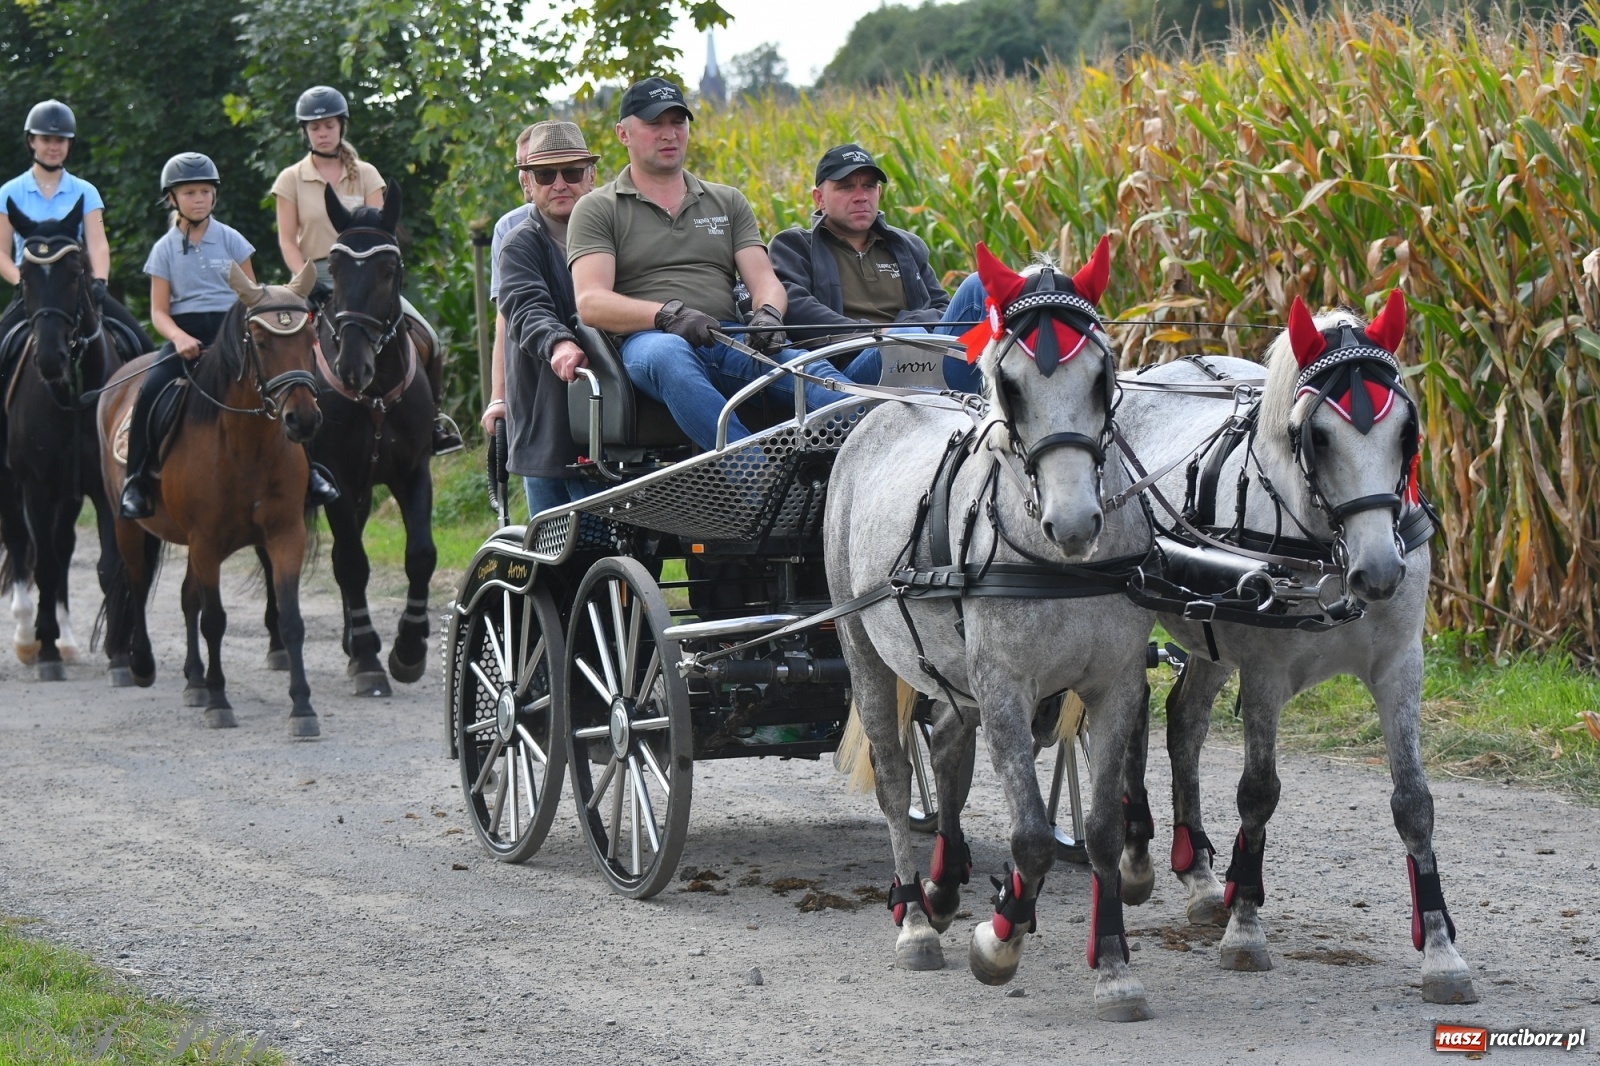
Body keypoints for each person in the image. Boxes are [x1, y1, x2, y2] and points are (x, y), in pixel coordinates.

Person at [567, 77, 855, 452]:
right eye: (655, 124)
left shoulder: (727, 201)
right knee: (669, 354)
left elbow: (765, 280)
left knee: (807, 368)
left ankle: (885, 459)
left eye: (678, 122)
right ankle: (754, 475)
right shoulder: (598, 208)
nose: (669, 134)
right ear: (624, 133)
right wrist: (667, 315)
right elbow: (592, 302)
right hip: (648, 345)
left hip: (726, 336)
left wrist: (768, 313)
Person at [119, 153, 338, 519]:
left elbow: (252, 298)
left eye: (205, 191)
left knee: (292, 387)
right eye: (189, 193)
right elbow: (158, 311)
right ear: (172, 198)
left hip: (233, 334)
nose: (199, 199)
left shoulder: (233, 240)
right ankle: (138, 481)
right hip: (186, 336)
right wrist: (178, 337)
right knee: (150, 390)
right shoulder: (163, 249)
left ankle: (310, 472)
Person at [270, 85, 463, 454]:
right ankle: (292, 439)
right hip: (315, 275)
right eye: (314, 127)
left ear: (341, 126)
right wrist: (306, 284)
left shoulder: (367, 174)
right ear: (305, 133)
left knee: (429, 338)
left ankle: (434, 424)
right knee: (285, 349)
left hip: (368, 278)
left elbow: (382, 232)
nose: (322, 132)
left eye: (328, 125)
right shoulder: (290, 179)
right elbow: (286, 241)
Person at [769, 142, 985, 392]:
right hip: (851, 372)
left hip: (929, 352)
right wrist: (879, 333)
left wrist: (904, 326)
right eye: (846, 186)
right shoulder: (794, 245)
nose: (861, 196)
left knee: (978, 285)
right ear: (819, 198)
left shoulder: (907, 245)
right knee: (906, 341)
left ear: (879, 193)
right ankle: (942, 409)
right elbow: (796, 308)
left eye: (869, 186)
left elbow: (942, 308)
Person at [495, 121, 601, 516]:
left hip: (616, 425)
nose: (560, 183)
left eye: (572, 172)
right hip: (549, 426)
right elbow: (524, 307)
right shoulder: (520, 243)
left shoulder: (616, 234)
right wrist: (559, 343)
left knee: (631, 551)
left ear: (591, 176)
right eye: (545, 174)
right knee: (556, 557)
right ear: (528, 184)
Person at [0, 99, 147, 366]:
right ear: (32, 141)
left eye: (61, 140)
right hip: (31, 289)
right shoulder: (8, 192)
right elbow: (1, 252)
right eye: (46, 139)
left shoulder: (86, 191)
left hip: (76, 287)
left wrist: (100, 282)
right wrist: (21, 282)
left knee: (141, 344)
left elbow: (98, 244)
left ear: (69, 144)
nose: (54, 147)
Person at [478, 122, 543, 438]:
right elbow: (506, 316)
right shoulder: (511, 227)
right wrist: (498, 396)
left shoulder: (598, 215)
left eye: (533, 165)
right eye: (521, 166)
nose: (524, 176)